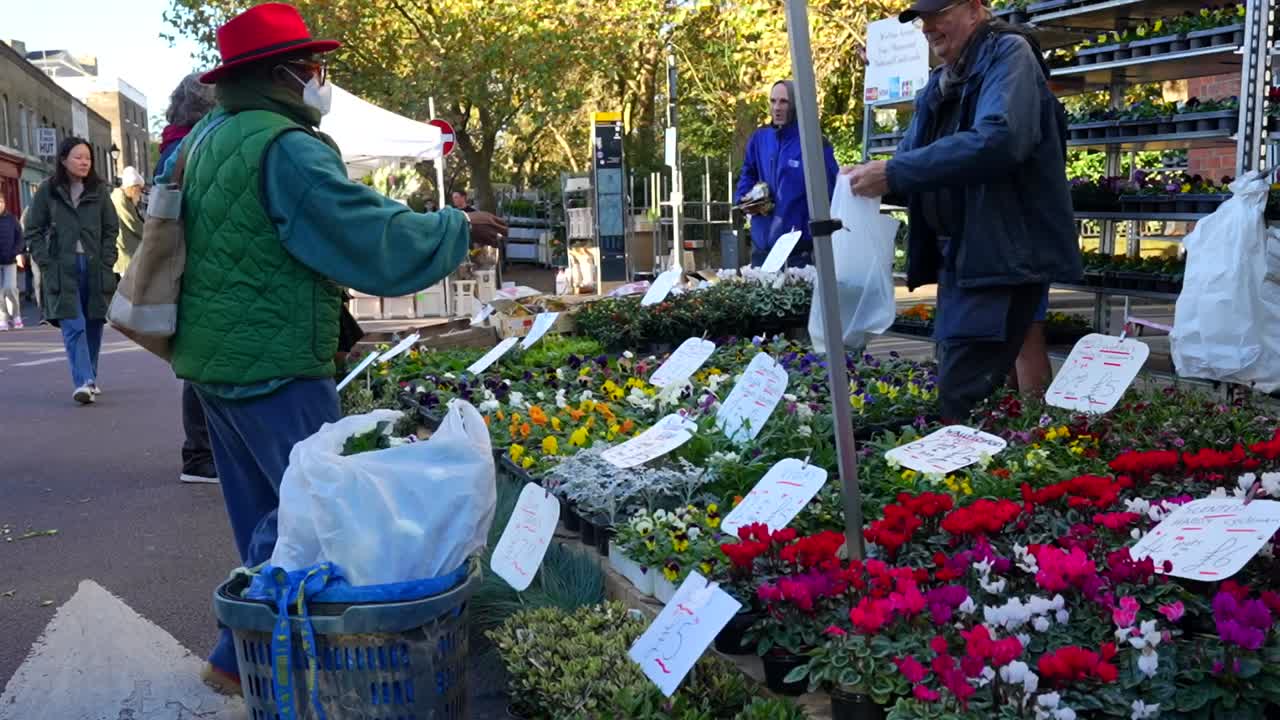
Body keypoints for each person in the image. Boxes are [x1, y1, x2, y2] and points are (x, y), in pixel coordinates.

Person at [168, 3, 505, 693]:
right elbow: (360, 230)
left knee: (264, 513)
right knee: (313, 512)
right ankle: (241, 658)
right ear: (283, 73)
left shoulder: (205, 136)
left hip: (214, 360)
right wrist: (453, 228)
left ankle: (259, 658)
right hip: (274, 361)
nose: (320, 78)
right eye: (314, 66)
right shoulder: (284, 144)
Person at [844, 0, 1080, 421]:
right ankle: (1002, 464)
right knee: (968, 387)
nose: (928, 28)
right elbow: (911, 158)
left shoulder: (1010, 55)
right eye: (922, 19)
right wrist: (866, 177)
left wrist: (896, 172)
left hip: (1000, 255)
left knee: (961, 393)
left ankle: (965, 479)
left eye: (939, 15)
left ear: (975, 9)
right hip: (965, 257)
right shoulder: (942, 80)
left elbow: (1000, 139)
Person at [156, 73, 221, 486]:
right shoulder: (194, 145)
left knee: (200, 359)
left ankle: (199, 452)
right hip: (200, 264)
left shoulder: (173, 143)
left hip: (185, 265)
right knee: (205, 363)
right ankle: (198, 454)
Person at [25, 138, 119, 404]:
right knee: (73, 323)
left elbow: (111, 228)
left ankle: (90, 375)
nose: (84, 161)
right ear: (64, 160)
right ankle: (84, 381)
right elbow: (33, 229)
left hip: (94, 267)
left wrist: (107, 260)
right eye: (78, 157)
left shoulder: (99, 191)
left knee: (93, 322)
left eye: (87, 157)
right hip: (62, 268)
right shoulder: (48, 191)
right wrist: (46, 261)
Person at [735, 79, 839, 268]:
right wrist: (745, 199)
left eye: (784, 102)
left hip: (798, 254)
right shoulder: (759, 139)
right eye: (773, 101)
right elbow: (747, 173)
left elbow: (831, 192)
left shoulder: (813, 142)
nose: (777, 107)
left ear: (795, 104)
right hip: (762, 249)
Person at [110, 167, 145, 276]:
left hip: (126, 249)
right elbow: (133, 223)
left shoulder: (120, 196)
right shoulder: (121, 199)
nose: (139, 193)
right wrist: (149, 233)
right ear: (133, 187)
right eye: (139, 189)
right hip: (126, 252)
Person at [0, 196, 22, 330]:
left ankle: (16, 315)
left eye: (1, 202)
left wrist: (15, 252)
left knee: (10, 288)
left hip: (10, 261)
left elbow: (20, 238)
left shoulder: (12, 219)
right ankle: (3, 318)